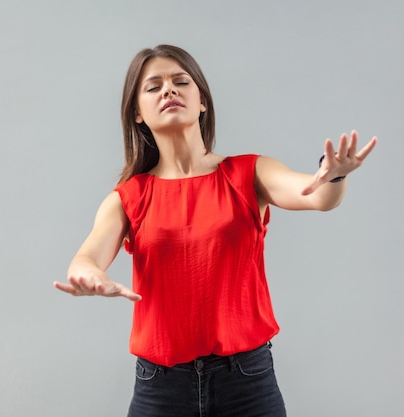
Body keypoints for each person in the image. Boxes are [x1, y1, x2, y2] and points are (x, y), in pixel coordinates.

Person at [54, 44, 377, 417]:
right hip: (160, 388)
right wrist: (89, 276)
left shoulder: (249, 173)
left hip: (247, 383)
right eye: (153, 86)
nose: (169, 91)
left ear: (202, 101)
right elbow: (87, 256)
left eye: (180, 81)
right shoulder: (129, 197)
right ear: (137, 114)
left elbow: (319, 197)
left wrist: (333, 174)